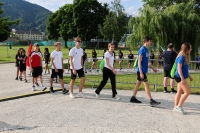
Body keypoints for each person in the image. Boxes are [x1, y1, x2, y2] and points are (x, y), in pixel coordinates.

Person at [130, 36, 161, 106]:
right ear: (146, 41)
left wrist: (153, 68)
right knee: (146, 85)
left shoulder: (146, 49)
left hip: (142, 70)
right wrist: (141, 72)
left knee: (138, 83)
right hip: (141, 70)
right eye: (150, 41)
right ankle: (151, 100)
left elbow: (147, 61)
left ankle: (133, 97)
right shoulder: (142, 49)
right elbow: (139, 61)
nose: (151, 42)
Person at [173, 42, 193, 114]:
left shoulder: (185, 56)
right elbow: (179, 68)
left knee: (179, 92)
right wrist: (182, 78)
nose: (191, 49)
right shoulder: (181, 56)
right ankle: (179, 106)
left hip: (181, 76)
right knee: (187, 92)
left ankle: (175, 107)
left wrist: (189, 76)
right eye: (190, 48)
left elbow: (184, 69)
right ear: (187, 48)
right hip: (179, 77)